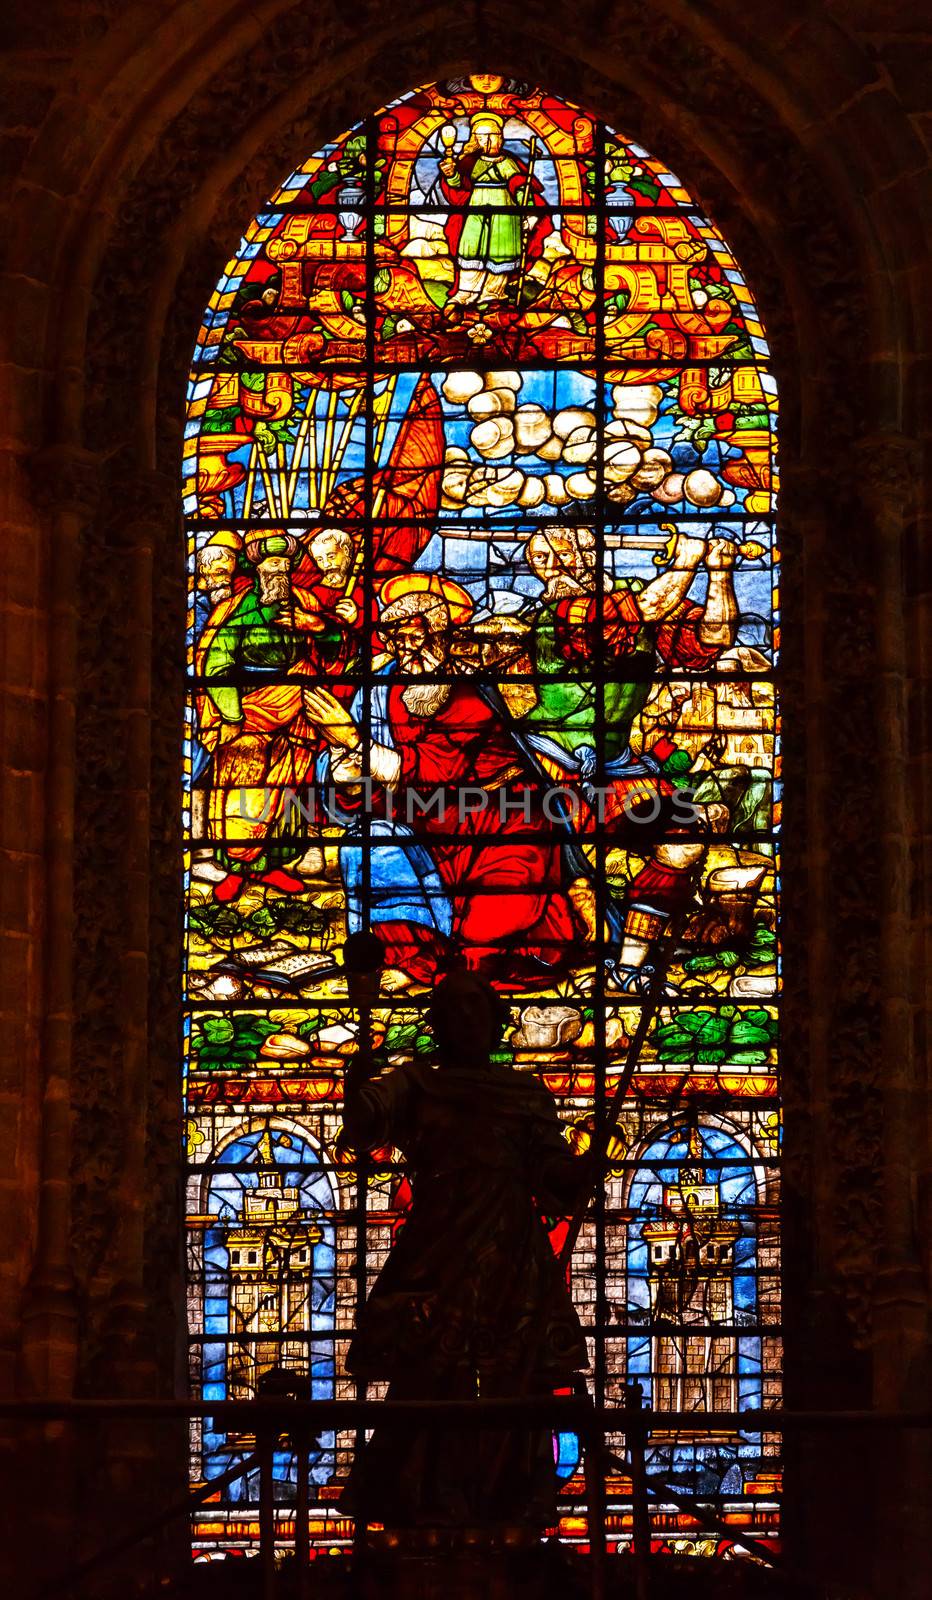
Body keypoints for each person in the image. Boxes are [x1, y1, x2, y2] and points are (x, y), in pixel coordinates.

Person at [340, 968, 587, 1532]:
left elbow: (549, 1168)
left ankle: (511, 1501)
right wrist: (359, 1071)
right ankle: (425, 1502)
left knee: (513, 1377)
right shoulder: (416, 1084)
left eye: (479, 1010)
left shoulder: (525, 1093)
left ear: (498, 1024)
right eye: (455, 1011)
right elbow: (363, 1123)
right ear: (439, 1025)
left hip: (510, 1253)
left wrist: (576, 1170)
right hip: (441, 1247)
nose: (468, 1021)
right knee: (431, 1373)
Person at [303, 574, 581, 987]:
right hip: (428, 824)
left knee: (493, 919)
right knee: (370, 850)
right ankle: (410, 959)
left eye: (415, 637)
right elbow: (378, 786)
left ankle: (451, 971)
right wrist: (345, 780)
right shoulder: (380, 693)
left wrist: (353, 742)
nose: (405, 650)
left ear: (440, 634)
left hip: (506, 825)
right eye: (395, 640)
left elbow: (440, 768)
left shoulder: (469, 692)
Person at [521, 524, 739, 990]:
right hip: (545, 770)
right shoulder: (556, 617)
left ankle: (630, 967)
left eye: (560, 555)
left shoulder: (638, 608)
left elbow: (711, 639)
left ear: (589, 556)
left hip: (619, 774)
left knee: (683, 838)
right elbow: (648, 607)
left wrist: (718, 573)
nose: (552, 570)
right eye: (540, 561)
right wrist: (686, 561)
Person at [439, 112, 550, 308]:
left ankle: (493, 293)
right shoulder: (470, 161)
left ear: (499, 137)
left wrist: (530, 213)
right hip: (476, 206)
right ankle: (465, 294)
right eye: (480, 137)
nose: (486, 141)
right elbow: (459, 187)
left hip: (504, 209)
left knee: (501, 251)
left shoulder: (508, 162)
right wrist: (451, 174)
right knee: (471, 248)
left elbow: (521, 187)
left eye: (490, 136)